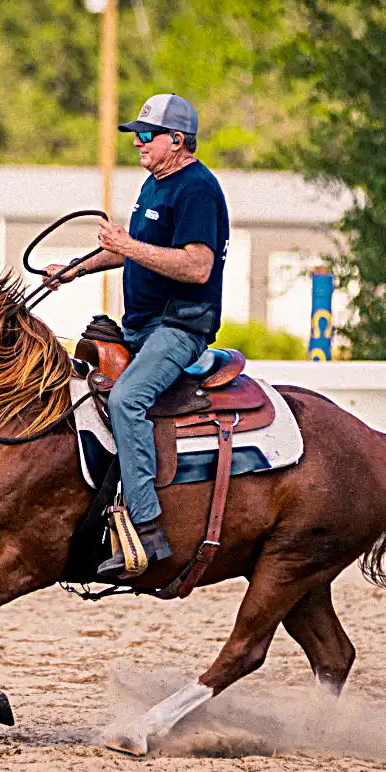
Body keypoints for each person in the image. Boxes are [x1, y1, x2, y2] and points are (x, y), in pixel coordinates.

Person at [45, 93, 229, 577]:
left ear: (177, 140)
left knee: (127, 398)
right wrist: (75, 269)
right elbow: (131, 251)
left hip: (181, 326)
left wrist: (127, 244)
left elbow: (198, 264)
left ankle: (147, 530)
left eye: (147, 136)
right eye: (136, 136)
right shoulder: (154, 185)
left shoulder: (197, 189)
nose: (139, 144)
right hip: (141, 327)